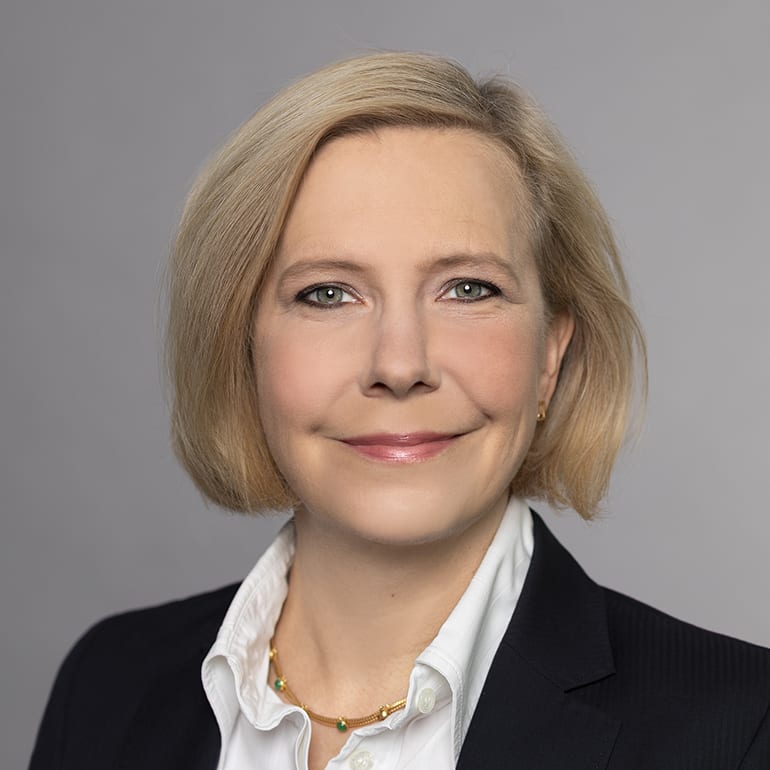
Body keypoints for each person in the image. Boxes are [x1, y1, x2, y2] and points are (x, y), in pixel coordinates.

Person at [29, 52, 770, 770]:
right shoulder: (107, 687)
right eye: (327, 294)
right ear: (242, 349)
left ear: (550, 354)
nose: (399, 365)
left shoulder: (741, 728)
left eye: (468, 289)